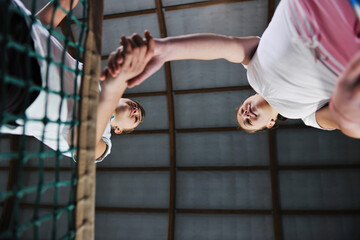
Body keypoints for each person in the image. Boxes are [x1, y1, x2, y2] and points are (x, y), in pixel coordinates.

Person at [113, 0, 360, 139]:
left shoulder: (253, 70)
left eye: (242, 113)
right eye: (249, 122)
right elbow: (343, 120)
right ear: (271, 122)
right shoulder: (306, 115)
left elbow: (226, 46)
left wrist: (166, 50)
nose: (246, 114)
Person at [0, 0, 154, 162]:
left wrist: (116, 85)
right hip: (20, 26)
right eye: (135, 105)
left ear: (118, 130)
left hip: (22, 95)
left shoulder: (103, 142)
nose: (135, 111)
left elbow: (79, 143)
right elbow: (43, 26)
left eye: (135, 119)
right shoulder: (94, 79)